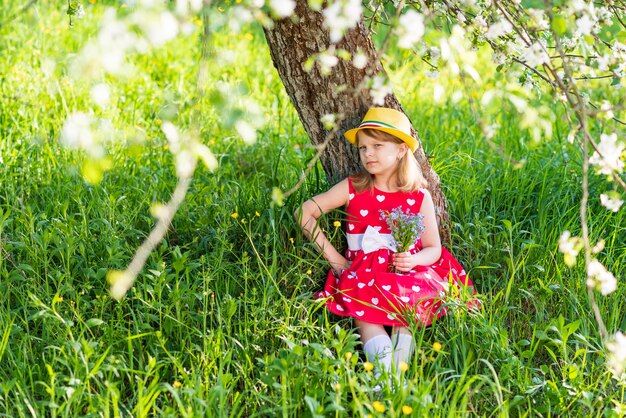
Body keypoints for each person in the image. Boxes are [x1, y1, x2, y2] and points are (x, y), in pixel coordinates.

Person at [295, 107, 475, 388]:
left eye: (378, 146)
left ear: (402, 150)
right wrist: (336, 259)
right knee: (362, 309)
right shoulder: (353, 187)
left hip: (406, 269)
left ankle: (396, 377)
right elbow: (305, 213)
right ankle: (384, 374)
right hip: (364, 271)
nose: (368, 154)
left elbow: (433, 249)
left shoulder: (418, 196)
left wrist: (414, 261)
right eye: (363, 147)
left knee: (409, 307)